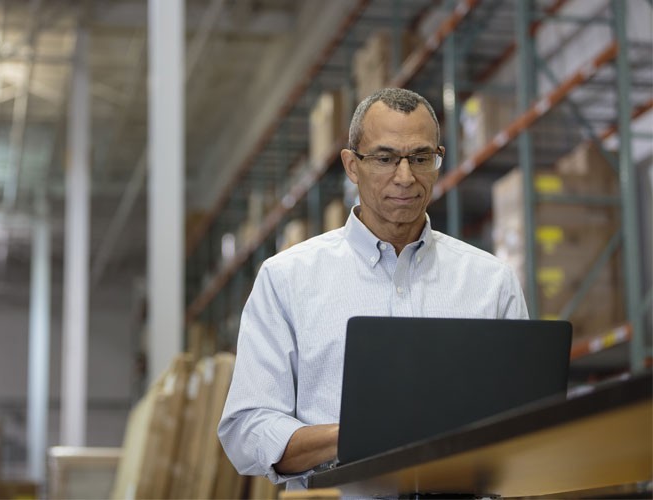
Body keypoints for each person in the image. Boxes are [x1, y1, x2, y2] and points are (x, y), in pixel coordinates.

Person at [217, 88, 529, 490]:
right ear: (351, 165)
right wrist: (354, 436)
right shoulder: (287, 279)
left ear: (438, 160)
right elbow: (248, 427)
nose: (405, 176)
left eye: (420, 158)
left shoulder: (491, 282)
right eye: (384, 158)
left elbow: (524, 419)